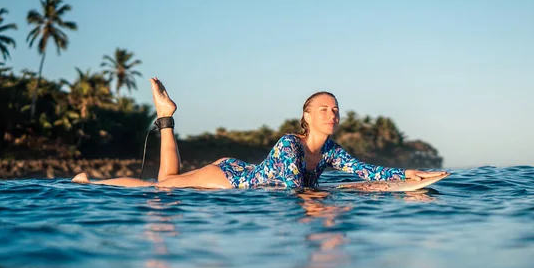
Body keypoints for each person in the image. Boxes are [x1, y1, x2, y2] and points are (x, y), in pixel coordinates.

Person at [72, 78, 449, 189]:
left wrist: (405, 174)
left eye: (335, 109)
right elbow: (294, 191)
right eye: (324, 109)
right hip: (230, 179)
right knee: (161, 186)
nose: (332, 114)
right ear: (306, 115)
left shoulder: (331, 150)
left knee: (168, 180)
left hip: (242, 173)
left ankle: (167, 118)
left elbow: (365, 170)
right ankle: (92, 184)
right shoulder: (290, 145)